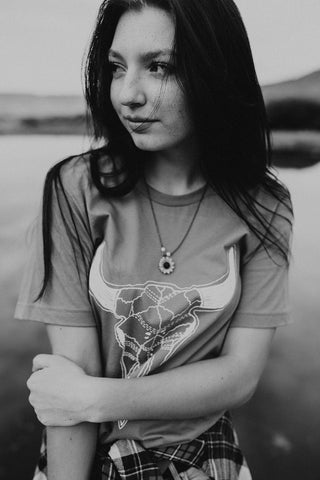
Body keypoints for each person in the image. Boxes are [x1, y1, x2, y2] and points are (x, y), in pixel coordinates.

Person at [15, 0, 293, 479]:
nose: (128, 94)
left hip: (206, 456)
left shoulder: (266, 204)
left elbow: (240, 375)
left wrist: (98, 398)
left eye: (159, 67)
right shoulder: (75, 189)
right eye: (117, 68)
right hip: (86, 456)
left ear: (216, 72)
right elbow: (66, 390)